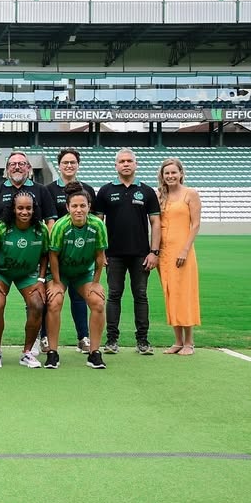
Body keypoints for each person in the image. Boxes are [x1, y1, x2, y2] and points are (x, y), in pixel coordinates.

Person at [93, 148, 161, 355]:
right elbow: (98, 223)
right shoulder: (105, 191)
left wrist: (154, 252)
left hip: (141, 254)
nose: (125, 164)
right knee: (114, 295)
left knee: (140, 296)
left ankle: (143, 341)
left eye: (129, 161)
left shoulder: (147, 192)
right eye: (121, 161)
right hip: (113, 255)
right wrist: (100, 252)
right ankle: (112, 340)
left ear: (135, 164)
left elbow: (156, 223)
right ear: (116, 166)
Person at [46, 182, 109, 370]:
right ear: (67, 207)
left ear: (89, 207)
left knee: (98, 302)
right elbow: (53, 256)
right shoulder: (60, 226)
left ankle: (94, 353)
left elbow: (100, 256)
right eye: (74, 206)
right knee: (55, 301)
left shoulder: (97, 225)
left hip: (83, 273)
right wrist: (57, 283)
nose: (79, 209)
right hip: (61, 273)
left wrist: (96, 283)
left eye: (83, 205)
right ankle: (52, 352)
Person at [0, 192, 49, 370]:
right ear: (13, 209)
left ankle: (27, 352)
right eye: (20, 208)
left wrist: (41, 279)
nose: (24, 212)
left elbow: (45, 256)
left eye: (28, 208)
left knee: (37, 305)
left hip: (27, 274)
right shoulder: (1, 228)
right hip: (2, 273)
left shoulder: (40, 229)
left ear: (34, 209)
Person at [44, 148, 96, 353]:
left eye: (72, 162)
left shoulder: (88, 190)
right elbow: (48, 220)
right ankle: (45, 338)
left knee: (79, 297)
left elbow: (95, 221)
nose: (69, 166)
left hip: (81, 254)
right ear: (59, 165)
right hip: (56, 252)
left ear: (78, 165)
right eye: (65, 162)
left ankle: (83, 337)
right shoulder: (49, 189)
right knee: (51, 297)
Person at [157, 158, 201, 356]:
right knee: (170, 294)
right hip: (164, 252)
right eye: (167, 173)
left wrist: (185, 249)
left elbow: (195, 224)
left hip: (183, 251)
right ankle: (177, 340)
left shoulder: (190, 194)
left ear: (181, 173)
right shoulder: (160, 196)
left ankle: (189, 342)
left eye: (174, 172)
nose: (170, 176)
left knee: (184, 293)